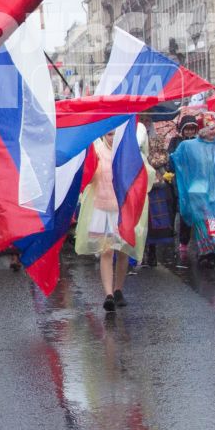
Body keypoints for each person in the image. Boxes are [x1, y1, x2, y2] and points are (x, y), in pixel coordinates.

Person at [76, 130, 138, 311]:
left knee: (123, 251)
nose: (112, 138)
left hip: (123, 209)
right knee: (107, 251)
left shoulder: (128, 151)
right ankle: (108, 293)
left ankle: (119, 289)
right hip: (103, 209)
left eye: (115, 135)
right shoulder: (96, 153)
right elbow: (87, 177)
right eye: (110, 134)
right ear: (104, 135)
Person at [169, 113, 215, 270]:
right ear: (203, 129)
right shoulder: (189, 145)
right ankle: (207, 252)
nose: (212, 131)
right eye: (209, 128)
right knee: (205, 220)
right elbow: (175, 158)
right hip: (198, 191)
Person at [143, 147, 179, 268]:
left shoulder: (160, 152)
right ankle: (143, 251)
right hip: (142, 186)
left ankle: (151, 251)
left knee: (154, 224)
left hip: (157, 191)